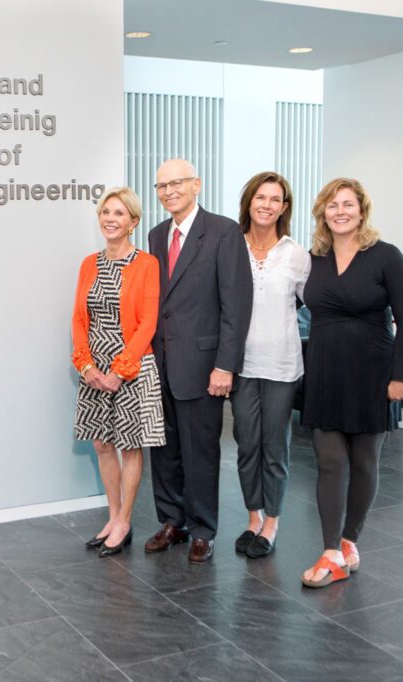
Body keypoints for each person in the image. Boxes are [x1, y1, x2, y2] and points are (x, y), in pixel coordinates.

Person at [299, 178, 403, 588]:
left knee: (365, 462)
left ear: (362, 210)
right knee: (329, 461)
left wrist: (400, 377)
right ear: (323, 213)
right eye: (332, 205)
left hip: (372, 373)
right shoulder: (314, 259)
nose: (340, 212)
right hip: (325, 372)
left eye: (348, 204)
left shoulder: (386, 256)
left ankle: (350, 541)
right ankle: (331, 551)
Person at [145, 159, 253, 563]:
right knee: (165, 451)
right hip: (161, 363)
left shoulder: (224, 232)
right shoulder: (156, 235)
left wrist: (225, 365)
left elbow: (235, 305)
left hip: (205, 365)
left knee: (201, 452)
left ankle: (203, 530)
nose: (169, 191)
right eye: (162, 186)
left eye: (177, 183)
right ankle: (173, 521)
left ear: (197, 184)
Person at [72, 187, 164, 557]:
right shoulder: (88, 264)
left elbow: (148, 323)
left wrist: (120, 370)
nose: (110, 219)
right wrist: (86, 365)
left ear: (133, 222)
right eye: (105, 212)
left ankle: (125, 522)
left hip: (132, 365)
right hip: (94, 367)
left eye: (119, 213)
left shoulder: (147, 264)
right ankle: (112, 517)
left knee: (129, 444)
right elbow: (79, 319)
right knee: (101, 443)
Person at [230, 172, 310, 559]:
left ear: (284, 207)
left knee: (275, 447)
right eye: (260, 197)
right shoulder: (232, 247)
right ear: (249, 202)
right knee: (246, 444)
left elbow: (315, 303)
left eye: (275, 199)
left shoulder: (296, 254)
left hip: (281, 365)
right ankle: (253, 518)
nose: (266, 205)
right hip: (241, 365)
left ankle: (272, 523)